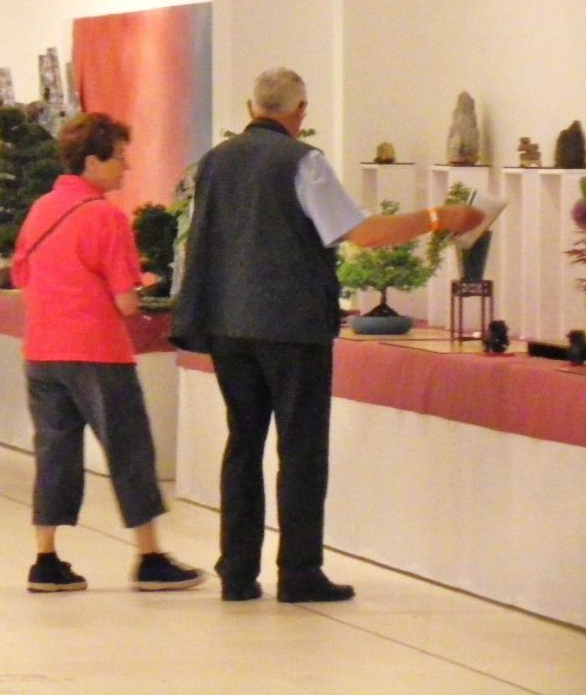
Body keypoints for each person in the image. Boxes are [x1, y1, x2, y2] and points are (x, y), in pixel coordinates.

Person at [172, 67, 481, 603]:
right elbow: (364, 234)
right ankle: (298, 572)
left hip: (227, 325)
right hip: (292, 327)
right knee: (301, 450)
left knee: (242, 444)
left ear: (250, 109)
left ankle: (237, 573)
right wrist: (440, 215)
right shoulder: (302, 162)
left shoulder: (216, 161)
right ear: (300, 112)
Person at [13, 112, 204, 593]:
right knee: (129, 450)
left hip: (42, 350)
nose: (126, 166)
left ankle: (46, 558)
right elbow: (125, 302)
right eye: (119, 157)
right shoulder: (105, 216)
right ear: (92, 161)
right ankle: (149, 556)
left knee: (54, 452)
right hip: (97, 351)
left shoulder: (41, 210)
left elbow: (22, 276)